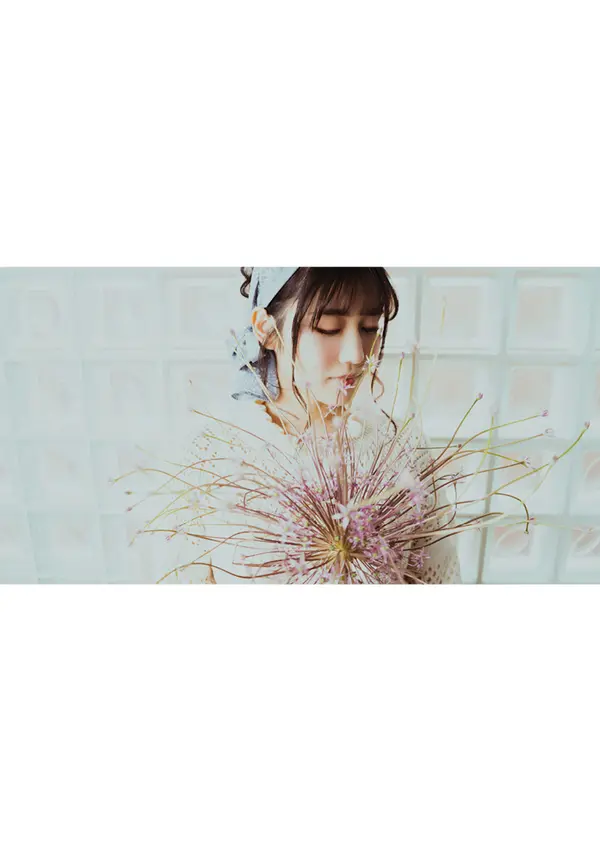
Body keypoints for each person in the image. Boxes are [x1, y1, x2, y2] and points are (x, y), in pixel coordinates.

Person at [163, 267, 461, 584]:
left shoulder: (400, 447)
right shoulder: (213, 455)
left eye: (369, 327)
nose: (356, 354)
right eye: (328, 328)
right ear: (266, 329)